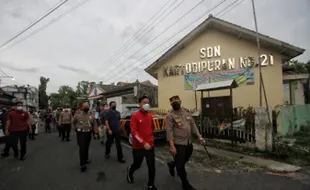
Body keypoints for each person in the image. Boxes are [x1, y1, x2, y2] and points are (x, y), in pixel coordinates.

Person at [165, 95, 205, 190]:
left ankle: (172, 164)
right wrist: (172, 146)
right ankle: (185, 184)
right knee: (181, 165)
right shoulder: (169, 116)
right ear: (171, 105)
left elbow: (193, 125)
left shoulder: (186, 113)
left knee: (184, 158)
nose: (175, 104)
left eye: (177, 102)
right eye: (173, 103)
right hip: (178, 143)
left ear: (180, 102)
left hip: (188, 142)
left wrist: (199, 136)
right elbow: (169, 132)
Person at [127, 95, 157, 190]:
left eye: (148, 102)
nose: (147, 104)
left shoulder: (150, 116)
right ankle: (130, 171)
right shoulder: (135, 116)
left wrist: (150, 140)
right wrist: (144, 143)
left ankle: (150, 185)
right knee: (137, 164)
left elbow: (151, 129)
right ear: (139, 104)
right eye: (144, 102)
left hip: (150, 146)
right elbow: (134, 132)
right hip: (138, 147)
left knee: (152, 166)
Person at [72, 102, 96, 172]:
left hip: (88, 133)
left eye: (87, 107)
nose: (86, 108)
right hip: (81, 133)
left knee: (86, 146)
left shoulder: (91, 115)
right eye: (85, 107)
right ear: (82, 107)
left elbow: (94, 124)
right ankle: (82, 164)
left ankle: (86, 158)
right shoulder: (78, 114)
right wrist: (73, 130)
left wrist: (95, 133)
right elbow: (73, 122)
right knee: (82, 148)